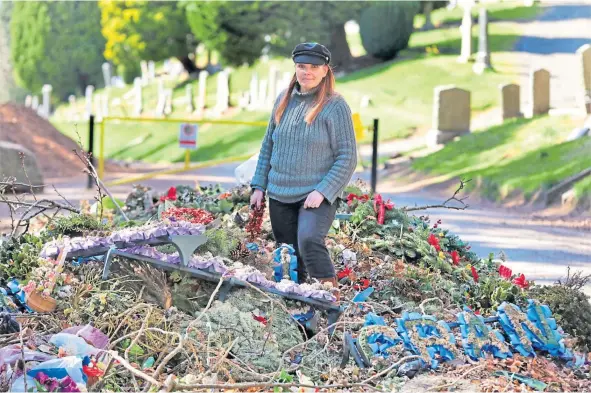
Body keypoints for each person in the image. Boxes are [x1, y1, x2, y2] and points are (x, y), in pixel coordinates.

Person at [249, 42, 358, 300]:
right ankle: (296, 306)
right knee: (287, 254)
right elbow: (268, 147)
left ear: (324, 71)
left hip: (315, 195)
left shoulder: (335, 106)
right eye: (301, 66)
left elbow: (348, 156)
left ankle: (328, 300)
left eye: (313, 67)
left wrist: (323, 191)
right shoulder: (283, 100)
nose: (306, 72)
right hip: (279, 194)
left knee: (309, 240)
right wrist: (258, 186)